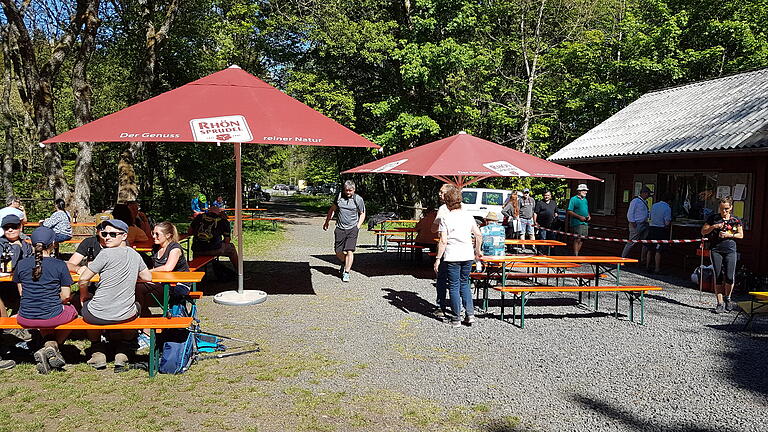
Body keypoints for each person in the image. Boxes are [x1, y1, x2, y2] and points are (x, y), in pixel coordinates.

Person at [77, 219, 152, 369]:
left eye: (112, 234)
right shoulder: (135, 255)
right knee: (137, 305)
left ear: (124, 236)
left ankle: (98, 351)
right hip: (125, 314)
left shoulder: (104, 254)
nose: (107, 237)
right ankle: (123, 350)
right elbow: (147, 277)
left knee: (87, 307)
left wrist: (83, 295)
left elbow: (84, 278)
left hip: (97, 315)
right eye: (104, 234)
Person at [15, 227, 76, 374]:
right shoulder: (59, 265)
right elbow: (66, 296)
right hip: (51, 315)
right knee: (73, 312)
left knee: (46, 313)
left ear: (31, 243)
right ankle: (53, 346)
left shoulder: (21, 265)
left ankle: (47, 345)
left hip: (25, 317)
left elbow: (22, 293)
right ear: (53, 243)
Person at [435, 187, 482, 328]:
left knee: (454, 286)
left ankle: (456, 318)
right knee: (464, 283)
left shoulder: (446, 218)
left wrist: (438, 258)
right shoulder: (468, 216)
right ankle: (470, 314)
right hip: (467, 255)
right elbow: (478, 235)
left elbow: (443, 241)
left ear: (447, 202)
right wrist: (477, 252)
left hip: (452, 255)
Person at [136, 222, 190, 316]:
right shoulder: (156, 248)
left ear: (168, 235)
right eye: (153, 233)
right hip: (162, 282)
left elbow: (168, 268)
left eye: (157, 234)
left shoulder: (175, 248)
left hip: (179, 284)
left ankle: (143, 316)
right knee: (136, 287)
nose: (153, 236)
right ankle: (144, 315)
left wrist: (148, 272)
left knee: (139, 289)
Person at [701, 197, 743, 314]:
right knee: (718, 276)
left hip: (730, 250)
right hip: (716, 250)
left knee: (729, 276)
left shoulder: (735, 220)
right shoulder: (713, 218)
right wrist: (714, 227)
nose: (723, 212)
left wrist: (729, 235)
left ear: (731, 208)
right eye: (721, 209)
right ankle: (719, 303)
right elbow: (703, 231)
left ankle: (728, 298)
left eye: (726, 209)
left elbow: (741, 235)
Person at [322, 180, 366, 283]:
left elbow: (362, 213)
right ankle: (345, 262)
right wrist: (327, 222)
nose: (348, 192)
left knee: (350, 250)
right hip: (340, 228)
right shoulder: (339, 197)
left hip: (352, 229)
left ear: (354, 190)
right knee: (338, 252)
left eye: (350, 190)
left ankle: (346, 272)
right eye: (346, 190)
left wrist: (357, 226)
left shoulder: (358, 199)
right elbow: (332, 209)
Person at [431, 183, 458, 317]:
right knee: (458, 281)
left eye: (442, 192)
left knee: (442, 278)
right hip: (461, 249)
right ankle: (460, 309)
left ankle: (441, 306)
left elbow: (434, 229)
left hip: (446, 248)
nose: (439, 194)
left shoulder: (442, 209)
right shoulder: (462, 208)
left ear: (448, 194)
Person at [0, 214, 34, 318]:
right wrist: (16, 247)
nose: (10, 230)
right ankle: (6, 325)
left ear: (20, 227)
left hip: (22, 285)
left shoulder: (26, 245)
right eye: (6, 227)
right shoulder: (1, 244)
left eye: (14, 227)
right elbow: (7, 267)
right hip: (3, 285)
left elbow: (31, 264)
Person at [189, 205, 238, 272]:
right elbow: (227, 241)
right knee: (231, 249)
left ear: (209, 210)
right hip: (214, 249)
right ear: (219, 212)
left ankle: (197, 272)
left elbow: (189, 232)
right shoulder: (223, 221)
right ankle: (239, 271)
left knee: (198, 247)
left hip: (197, 250)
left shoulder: (199, 217)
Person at [621, 186, 652, 260]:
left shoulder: (645, 202)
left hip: (644, 223)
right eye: (647, 194)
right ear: (644, 193)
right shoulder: (635, 201)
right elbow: (630, 213)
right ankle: (622, 258)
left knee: (645, 241)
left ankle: (642, 258)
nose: (648, 196)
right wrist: (632, 222)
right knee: (631, 242)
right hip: (636, 224)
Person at [646, 192, 673, 273]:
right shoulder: (667, 208)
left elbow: (650, 216)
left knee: (650, 249)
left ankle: (647, 266)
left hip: (651, 228)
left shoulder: (654, 205)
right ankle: (657, 268)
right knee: (658, 250)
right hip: (660, 230)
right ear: (669, 201)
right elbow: (667, 222)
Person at [567, 184, 591, 255]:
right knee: (577, 238)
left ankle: (577, 254)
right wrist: (579, 217)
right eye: (584, 190)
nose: (586, 192)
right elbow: (569, 211)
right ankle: (576, 255)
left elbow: (586, 210)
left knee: (582, 239)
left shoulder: (585, 200)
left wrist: (589, 216)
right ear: (579, 191)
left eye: (586, 191)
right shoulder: (573, 199)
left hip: (585, 223)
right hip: (577, 223)